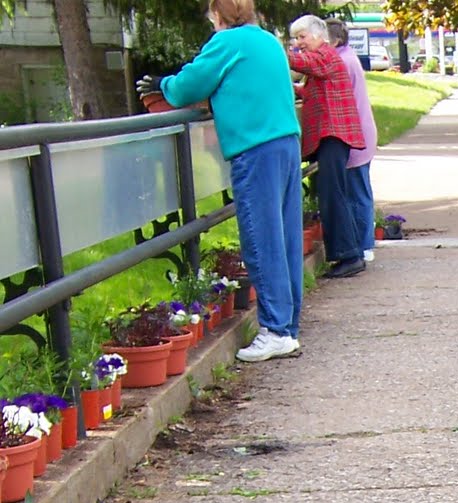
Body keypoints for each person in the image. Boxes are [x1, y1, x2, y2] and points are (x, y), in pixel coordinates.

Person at [138, 0, 303, 363]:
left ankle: (275, 330)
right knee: (285, 236)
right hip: (286, 142)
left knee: (261, 239)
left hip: (255, 146)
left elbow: (188, 87)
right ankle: (287, 327)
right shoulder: (267, 40)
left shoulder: (227, 42)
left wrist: (162, 83)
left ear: (219, 14)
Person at [287, 15, 367, 278]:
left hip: (333, 134)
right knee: (333, 194)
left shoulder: (325, 55)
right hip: (332, 135)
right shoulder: (327, 57)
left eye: (302, 37)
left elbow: (305, 63)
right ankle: (349, 252)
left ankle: (349, 255)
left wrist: (278, 54)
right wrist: (297, 90)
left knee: (333, 195)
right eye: (295, 38)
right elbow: (317, 89)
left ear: (318, 35)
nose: (299, 43)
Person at [326, 19, 378, 263]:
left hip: (355, 135)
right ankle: (363, 242)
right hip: (360, 132)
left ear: (334, 40)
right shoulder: (347, 57)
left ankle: (363, 245)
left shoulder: (342, 62)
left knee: (357, 192)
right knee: (358, 190)